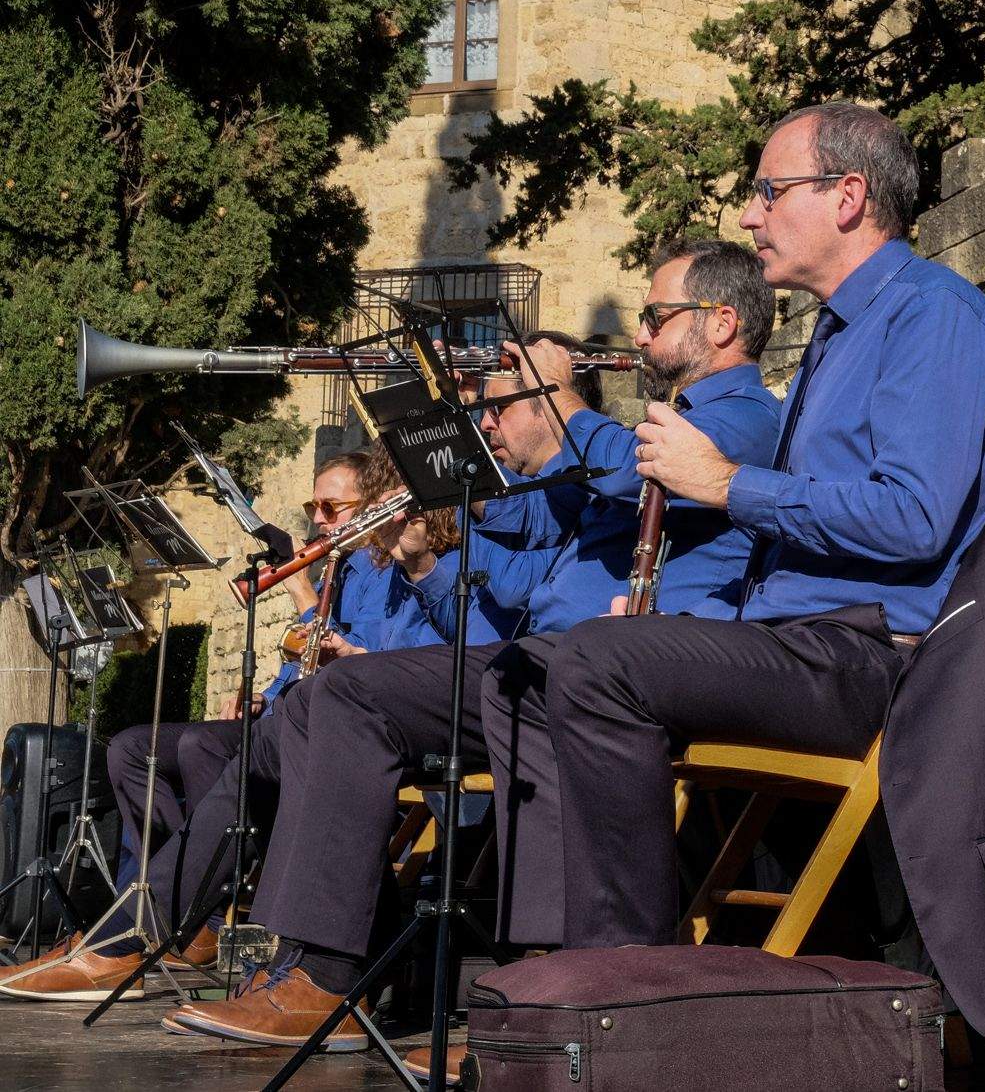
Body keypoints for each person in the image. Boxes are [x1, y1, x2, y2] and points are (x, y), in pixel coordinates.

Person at [158, 251, 780, 1055]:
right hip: (550, 659)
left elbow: (636, 474)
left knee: (362, 696)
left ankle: (440, 991)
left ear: (721, 323)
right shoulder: (636, 433)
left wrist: (556, 397)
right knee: (325, 702)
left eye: (656, 316)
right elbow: (524, 547)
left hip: (623, 671)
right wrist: (445, 488)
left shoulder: (744, 415)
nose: (642, 329)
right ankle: (316, 965)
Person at [542, 101, 985, 954]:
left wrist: (728, 484)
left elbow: (913, 517)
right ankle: (652, 972)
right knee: (600, 650)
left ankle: (623, 981)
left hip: (875, 655)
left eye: (769, 190)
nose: (749, 214)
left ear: (846, 195)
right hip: (808, 639)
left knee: (593, 662)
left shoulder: (931, 315)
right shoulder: (837, 333)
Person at [0, 449, 494, 1002]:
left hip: (388, 717)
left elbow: (420, 656)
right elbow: (338, 662)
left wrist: (328, 612)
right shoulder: (373, 566)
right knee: (138, 748)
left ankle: (176, 929)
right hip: (336, 710)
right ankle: (152, 917)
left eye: (336, 507)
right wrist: (272, 690)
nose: (323, 520)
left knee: (227, 749)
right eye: (316, 507)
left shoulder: (415, 568)